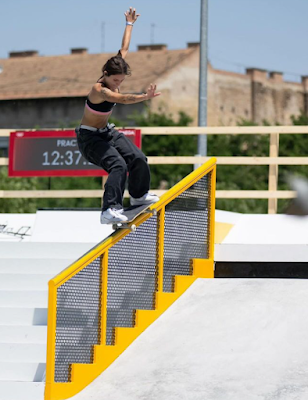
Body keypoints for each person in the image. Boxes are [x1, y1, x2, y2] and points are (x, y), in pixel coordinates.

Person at [75, 7, 161, 224]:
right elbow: (122, 99)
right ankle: (109, 210)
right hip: (89, 139)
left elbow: (124, 48)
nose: (118, 84)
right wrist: (144, 96)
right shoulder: (100, 90)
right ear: (106, 75)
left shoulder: (115, 68)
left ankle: (139, 195)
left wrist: (129, 24)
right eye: (116, 80)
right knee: (118, 165)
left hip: (106, 132)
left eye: (121, 80)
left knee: (138, 158)